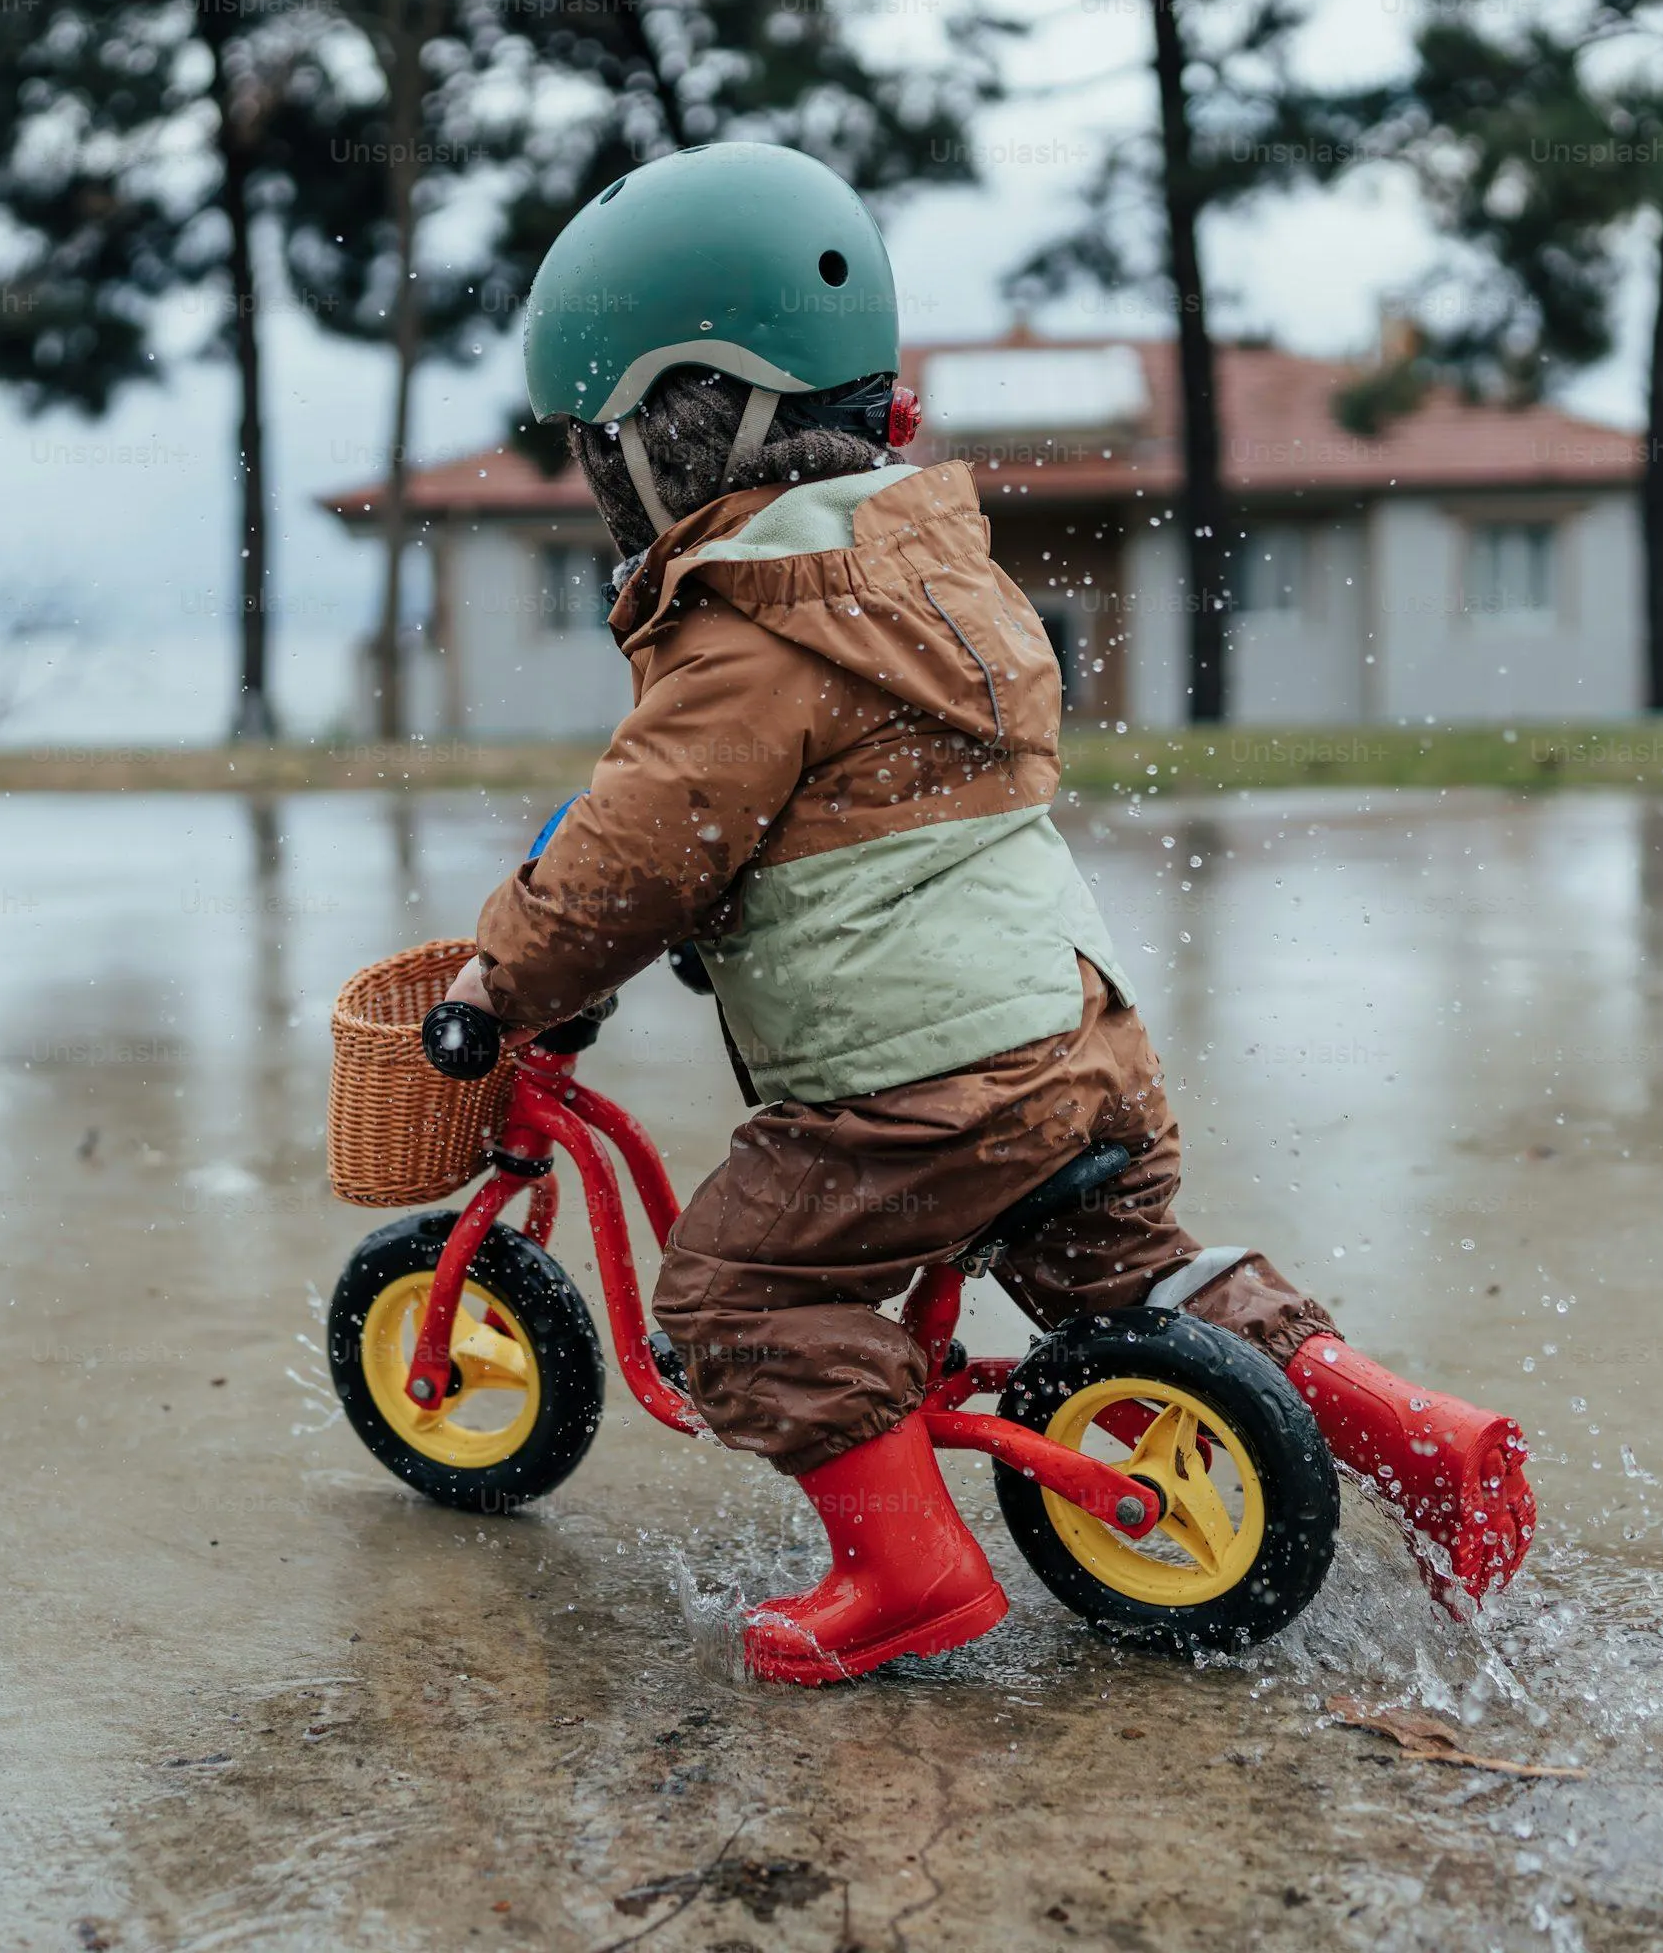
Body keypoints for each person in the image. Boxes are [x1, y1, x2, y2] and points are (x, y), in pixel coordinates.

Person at [444, 143, 1534, 1683]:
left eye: (599, 454)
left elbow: (629, 861)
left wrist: (499, 979)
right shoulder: (946, 581)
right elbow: (860, 808)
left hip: (924, 1093)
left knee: (739, 1291)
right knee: (1121, 1271)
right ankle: (1419, 1441)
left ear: (675, 437)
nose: (599, 492)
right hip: (1075, 1040)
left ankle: (905, 1572)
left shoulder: (745, 632)